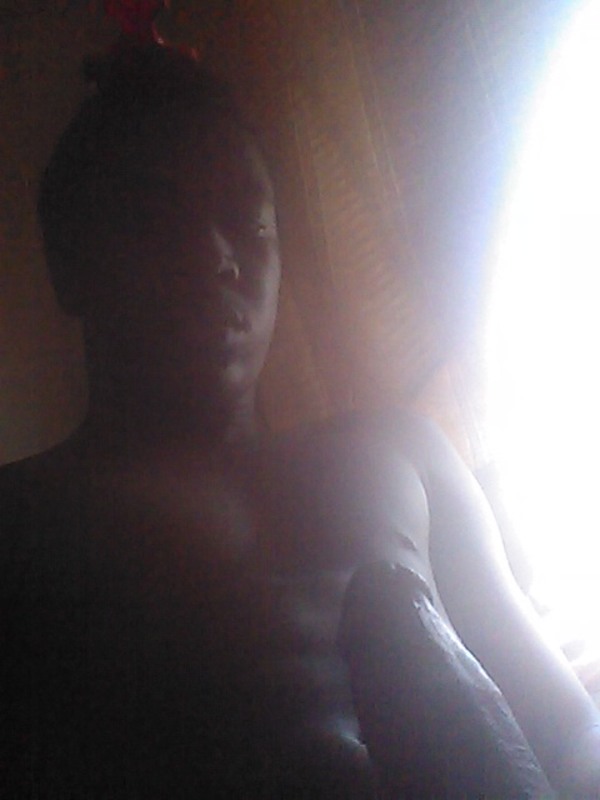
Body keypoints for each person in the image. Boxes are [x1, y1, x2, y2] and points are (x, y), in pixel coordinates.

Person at [1, 43, 599, 798]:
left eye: (247, 223)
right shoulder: (21, 523)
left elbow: (568, 733)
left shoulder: (402, 451)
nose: (214, 257)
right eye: (154, 219)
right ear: (68, 262)